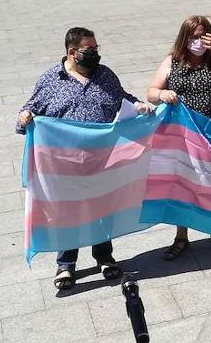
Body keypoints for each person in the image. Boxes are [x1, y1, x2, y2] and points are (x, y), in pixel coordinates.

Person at [16, 27, 145, 290]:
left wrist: (141, 106)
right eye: (90, 51)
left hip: (103, 160)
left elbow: (124, 100)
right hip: (65, 164)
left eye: (97, 49)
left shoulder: (105, 75)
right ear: (72, 52)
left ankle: (104, 257)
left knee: (102, 210)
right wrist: (24, 117)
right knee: (67, 212)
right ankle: (66, 265)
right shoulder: (52, 80)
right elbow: (29, 109)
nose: (95, 54)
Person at [146, 15, 211, 261]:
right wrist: (162, 94)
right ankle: (181, 236)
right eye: (193, 37)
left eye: (202, 36)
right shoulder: (172, 61)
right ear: (184, 38)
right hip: (184, 137)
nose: (197, 42)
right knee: (183, 184)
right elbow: (150, 92)